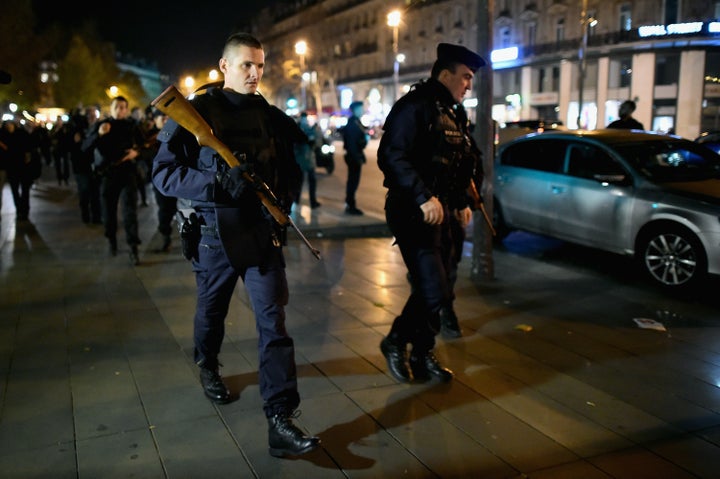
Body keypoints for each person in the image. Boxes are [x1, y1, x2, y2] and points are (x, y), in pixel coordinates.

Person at [152, 32, 320, 458]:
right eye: (246, 64)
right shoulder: (195, 113)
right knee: (212, 312)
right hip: (214, 238)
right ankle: (207, 363)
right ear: (224, 66)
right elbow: (164, 174)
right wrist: (215, 184)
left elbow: (289, 165)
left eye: (260, 65)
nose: (255, 73)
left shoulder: (268, 114)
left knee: (274, 326)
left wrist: (284, 201)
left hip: (262, 235)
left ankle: (280, 417)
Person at [377, 43, 486, 383]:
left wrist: (464, 202)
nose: (469, 84)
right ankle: (395, 341)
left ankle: (423, 354)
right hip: (413, 211)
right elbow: (391, 155)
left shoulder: (455, 112)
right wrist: (423, 197)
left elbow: (462, 163)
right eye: (465, 77)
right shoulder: (415, 105)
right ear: (445, 74)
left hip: (446, 213)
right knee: (432, 288)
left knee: (442, 288)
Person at [82, 96, 144, 265]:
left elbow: (143, 146)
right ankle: (112, 240)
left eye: (124, 107)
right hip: (108, 175)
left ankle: (133, 247)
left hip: (128, 174)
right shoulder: (102, 125)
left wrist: (136, 154)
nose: (121, 110)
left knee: (129, 212)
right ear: (111, 108)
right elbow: (85, 147)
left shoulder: (132, 125)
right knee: (108, 212)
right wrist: (99, 134)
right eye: (117, 107)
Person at [141, 109, 176, 251]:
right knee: (164, 209)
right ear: (155, 120)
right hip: (160, 180)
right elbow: (145, 154)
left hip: (177, 177)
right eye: (162, 117)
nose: (165, 120)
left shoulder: (177, 133)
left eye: (167, 117)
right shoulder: (150, 137)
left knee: (177, 208)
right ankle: (165, 235)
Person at [69, 106, 102, 224]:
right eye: (90, 113)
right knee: (84, 192)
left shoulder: (100, 127)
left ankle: (97, 217)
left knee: (96, 193)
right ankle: (86, 215)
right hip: (81, 166)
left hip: (96, 166)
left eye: (94, 113)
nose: (92, 116)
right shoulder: (78, 129)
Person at [0, 120, 35, 221]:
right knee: (15, 190)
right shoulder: (3, 135)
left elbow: (28, 148)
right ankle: (19, 208)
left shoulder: (21, 134)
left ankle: (25, 209)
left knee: (25, 190)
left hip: (22, 167)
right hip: (11, 167)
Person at [341, 100, 368, 215]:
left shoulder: (356, 122)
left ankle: (350, 203)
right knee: (353, 182)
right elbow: (352, 144)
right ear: (355, 110)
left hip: (355, 155)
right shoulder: (353, 124)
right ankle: (350, 205)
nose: (362, 111)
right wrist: (357, 158)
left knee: (353, 181)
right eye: (360, 109)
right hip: (354, 157)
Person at [293, 112, 320, 209]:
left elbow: (316, 143)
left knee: (309, 181)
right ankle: (297, 199)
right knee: (300, 181)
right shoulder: (297, 129)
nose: (304, 120)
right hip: (301, 159)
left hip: (308, 159)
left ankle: (311, 201)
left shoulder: (309, 128)